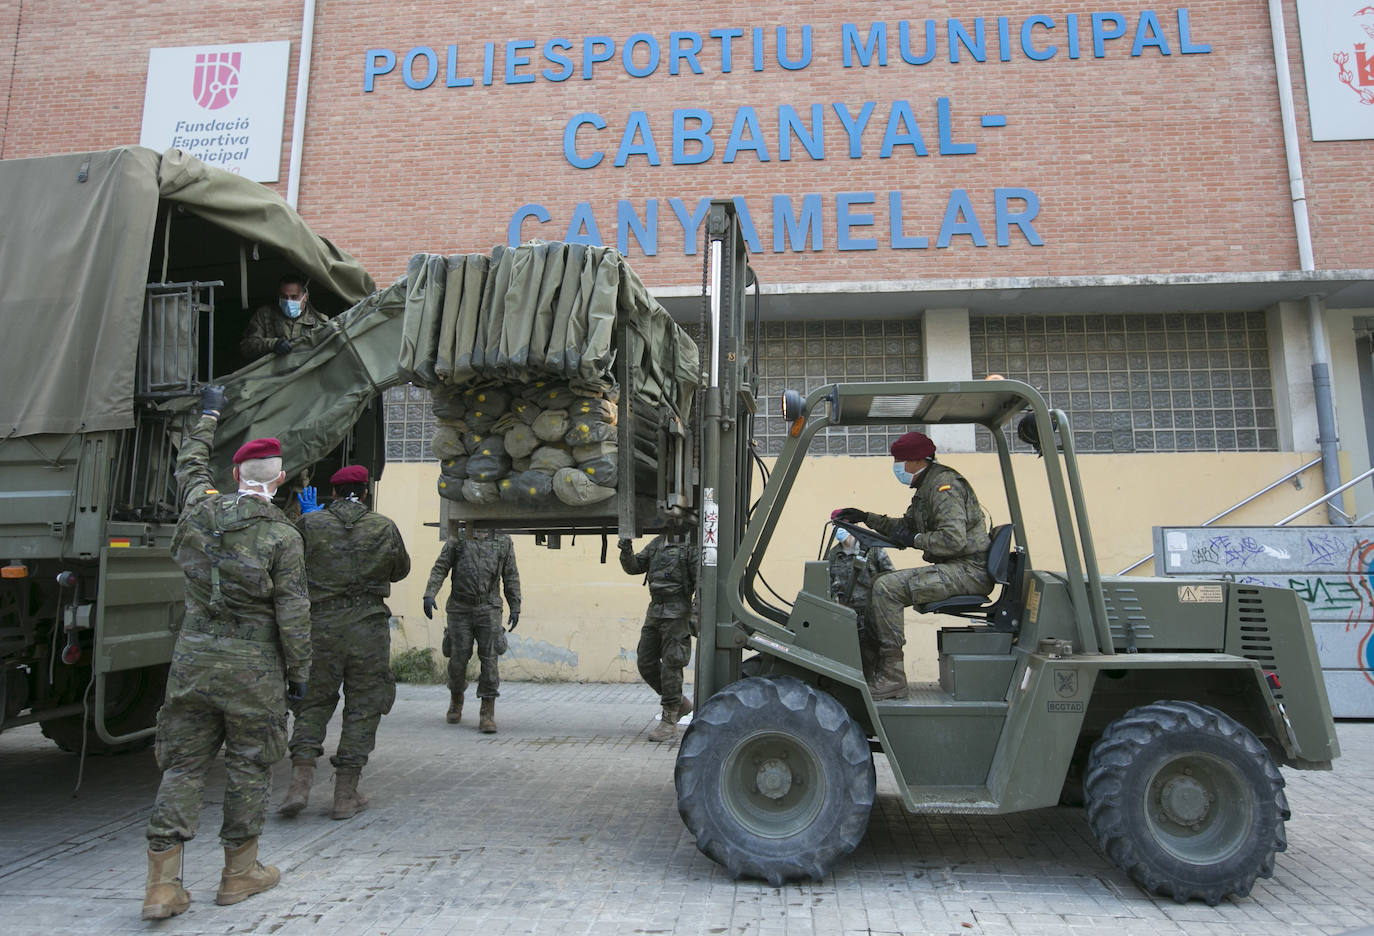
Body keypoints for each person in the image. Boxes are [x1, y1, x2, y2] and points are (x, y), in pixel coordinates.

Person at [142, 386, 311, 920]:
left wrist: (210, 414)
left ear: (236, 475)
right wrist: (300, 674)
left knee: (183, 767)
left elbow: (189, 465)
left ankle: (161, 888)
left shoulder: (200, 508)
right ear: (278, 481)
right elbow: (293, 612)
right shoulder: (283, 536)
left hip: (193, 662)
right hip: (253, 671)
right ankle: (239, 874)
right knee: (249, 766)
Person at [278, 465, 410, 821]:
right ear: (365, 492)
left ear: (333, 493)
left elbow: (289, 567)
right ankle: (345, 796)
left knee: (312, 702)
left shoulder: (309, 525)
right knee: (364, 706)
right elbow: (400, 570)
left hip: (320, 626)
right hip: (368, 628)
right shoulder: (384, 527)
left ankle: (299, 786)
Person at [831, 431, 992, 701]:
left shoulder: (944, 487)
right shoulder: (925, 488)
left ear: (918, 460)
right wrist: (865, 517)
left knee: (887, 587)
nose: (897, 467)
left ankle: (892, 677)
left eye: (900, 461)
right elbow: (904, 527)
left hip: (969, 570)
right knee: (877, 585)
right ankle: (872, 670)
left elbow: (953, 540)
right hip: (957, 568)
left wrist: (915, 539)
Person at [422, 529, 521, 733]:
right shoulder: (459, 537)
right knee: (458, 659)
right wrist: (430, 593)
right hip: (460, 607)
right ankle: (456, 699)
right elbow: (441, 566)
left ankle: (487, 712)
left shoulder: (502, 540)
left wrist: (515, 605)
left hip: (489, 607)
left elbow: (510, 575)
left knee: (490, 660)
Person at [619, 521, 699, 742]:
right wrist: (626, 549)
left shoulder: (690, 547)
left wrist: (696, 614)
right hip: (655, 611)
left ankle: (669, 720)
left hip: (677, 613)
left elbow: (701, 583)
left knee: (672, 665)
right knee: (645, 662)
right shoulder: (657, 544)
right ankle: (680, 703)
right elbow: (634, 567)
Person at [826, 527, 895, 682]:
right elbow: (827, 583)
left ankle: (872, 684)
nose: (840, 532)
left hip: (870, 613)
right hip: (845, 615)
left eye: (843, 527)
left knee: (870, 654)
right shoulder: (834, 554)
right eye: (837, 528)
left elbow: (891, 578)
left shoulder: (873, 550)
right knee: (846, 655)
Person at [239, 272, 330, 362]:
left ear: (305, 297)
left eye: (294, 297)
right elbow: (246, 346)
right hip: (273, 369)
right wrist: (273, 344)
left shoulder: (319, 320)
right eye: (284, 297)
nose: (288, 301)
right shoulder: (264, 314)